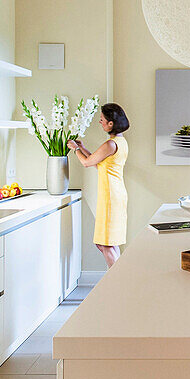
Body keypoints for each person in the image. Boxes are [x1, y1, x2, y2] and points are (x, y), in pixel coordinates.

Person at [68, 103, 129, 267]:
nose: (100, 122)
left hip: (110, 196)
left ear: (111, 123)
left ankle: (116, 282)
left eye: (102, 120)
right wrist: (83, 148)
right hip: (114, 194)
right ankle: (120, 279)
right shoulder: (120, 142)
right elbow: (99, 163)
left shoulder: (110, 144)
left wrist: (75, 149)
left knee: (105, 244)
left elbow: (87, 163)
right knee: (109, 242)